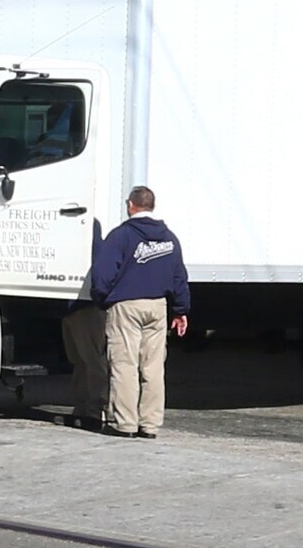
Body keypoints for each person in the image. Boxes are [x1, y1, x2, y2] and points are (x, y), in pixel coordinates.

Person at [91, 185, 190, 439]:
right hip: (158, 307)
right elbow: (179, 276)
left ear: (131, 205)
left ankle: (125, 424)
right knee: (153, 367)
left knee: (124, 365)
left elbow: (103, 273)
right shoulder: (169, 238)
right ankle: (150, 424)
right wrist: (181, 310)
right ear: (152, 206)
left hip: (126, 306)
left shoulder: (121, 236)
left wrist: (101, 298)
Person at [60, 217, 107, 430]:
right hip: (69, 305)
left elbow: (99, 262)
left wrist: (96, 297)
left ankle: (96, 410)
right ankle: (80, 407)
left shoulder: (89, 224)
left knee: (91, 360)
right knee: (78, 360)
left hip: (85, 304)